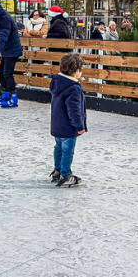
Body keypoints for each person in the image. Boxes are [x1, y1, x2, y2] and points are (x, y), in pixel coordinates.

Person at [49, 53, 86, 187]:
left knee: (58, 148)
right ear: (76, 72)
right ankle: (65, 174)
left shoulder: (57, 82)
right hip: (68, 127)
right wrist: (79, 126)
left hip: (57, 125)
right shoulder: (73, 88)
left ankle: (57, 171)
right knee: (67, 151)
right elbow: (74, 111)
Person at [0, 1, 22, 108]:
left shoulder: (5, 19)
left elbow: (3, 37)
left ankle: (13, 97)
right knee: (1, 72)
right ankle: (5, 94)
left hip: (12, 51)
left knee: (7, 74)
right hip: (7, 51)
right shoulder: (0, 19)